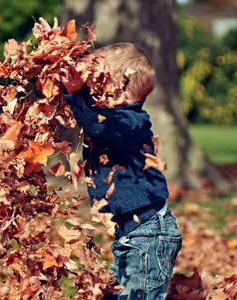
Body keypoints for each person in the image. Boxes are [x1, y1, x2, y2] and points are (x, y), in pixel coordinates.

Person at [60, 43, 182, 300]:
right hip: (131, 236)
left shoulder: (131, 124)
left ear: (121, 91)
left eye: (97, 85)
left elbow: (99, 127)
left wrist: (77, 96)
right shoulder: (118, 122)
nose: (92, 93)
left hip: (148, 236)